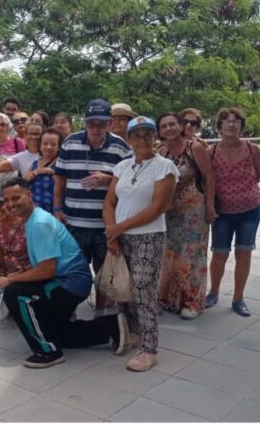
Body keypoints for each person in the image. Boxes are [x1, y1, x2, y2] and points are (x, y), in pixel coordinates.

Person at [0, 178, 129, 369]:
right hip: (66, 280)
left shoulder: (39, 223)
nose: (10, 204)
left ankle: (48, 352)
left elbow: (47, 270)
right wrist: (24, 272)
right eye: (7, 200)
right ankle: (110, 327)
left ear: (29, 196)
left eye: (15, 198)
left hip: (70, 283)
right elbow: (44, 262)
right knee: (56, 332)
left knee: (15, 293)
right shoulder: (33, 219)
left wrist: (10, 279)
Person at [103, 117, 178, 371]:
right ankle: (132, 333)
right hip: (120, 236)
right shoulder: (122, 167)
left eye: (148, 134)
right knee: (124, 288)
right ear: (129, 138)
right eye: (137, 135)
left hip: (149, 236)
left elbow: (158, 207)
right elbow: (108, 203)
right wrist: (113, 234)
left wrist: (119, 228)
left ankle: (149, 347)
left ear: (155, 137)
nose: (142, 139)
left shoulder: (164, 167)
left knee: (144, 291)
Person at [53, 99, 131, 314]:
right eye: (92, 123)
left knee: (104, 269)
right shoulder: (70, 142)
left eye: (101, 123)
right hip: (74, 221)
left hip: (105, 223)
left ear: (110, 122)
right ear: (85, 123)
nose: (96, 128)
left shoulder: (121, 147)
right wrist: (57, 209)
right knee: (73, 269)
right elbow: (59, 178)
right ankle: (69, 310)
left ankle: (101, 310)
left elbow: (131, 181)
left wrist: (108, 179)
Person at [157, 112, 215, 319]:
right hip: (170, 212)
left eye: (172, 124)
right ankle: (169, 299)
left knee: (192, 255)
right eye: (164, 126)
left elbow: (209, 178)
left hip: (194, 211)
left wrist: (210, 206)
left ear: (180, 126)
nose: (169, 128)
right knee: (170, 254)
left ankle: (191, 301)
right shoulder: (161, 152)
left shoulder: (195, 148)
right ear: (160, 132)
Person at [206, 107, 260, 316]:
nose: (231, 124)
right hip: (223, 212)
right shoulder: (211, 151)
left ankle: (238, 298)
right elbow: (208, 181)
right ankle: (213, 292)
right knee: (219, 254)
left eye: (236, 121)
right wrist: (210, 206)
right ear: (219, 126)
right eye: (226, 121)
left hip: (249, 209)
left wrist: (243, 191)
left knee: (244, 253)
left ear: (241, 126)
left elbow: (258, 176)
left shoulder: (252, 149)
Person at [24, 128, 63, 213]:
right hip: (32, 212)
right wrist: (36, 172)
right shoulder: (35, 163)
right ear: (40, 145)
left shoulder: (61, 164)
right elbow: (24, 183)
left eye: (53, 144)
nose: (48, 147)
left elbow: (62, 188)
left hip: (52, 213)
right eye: (45, 143)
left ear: (59, 147)